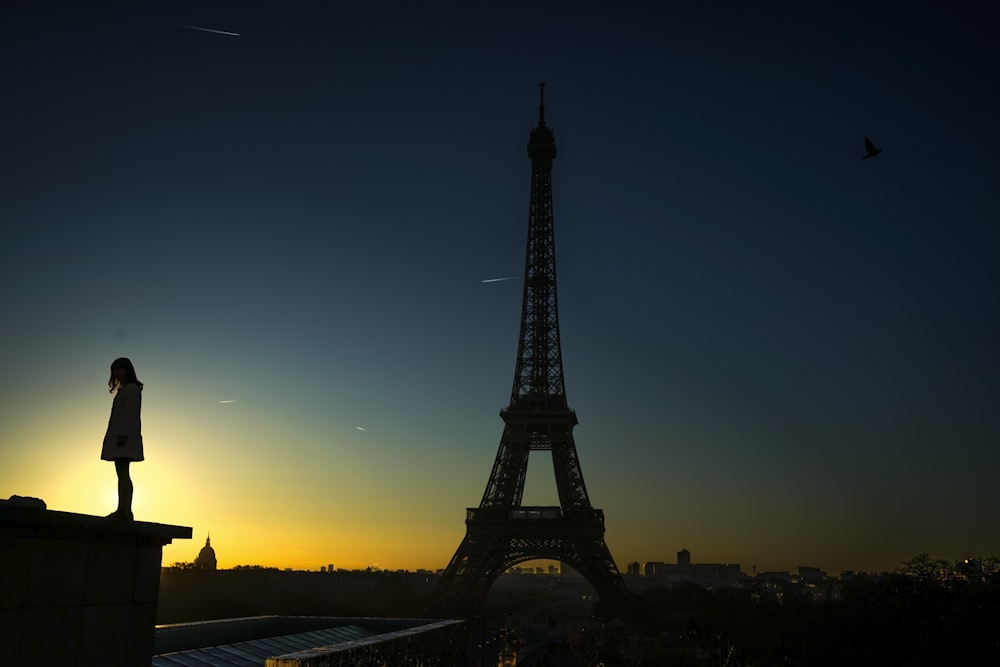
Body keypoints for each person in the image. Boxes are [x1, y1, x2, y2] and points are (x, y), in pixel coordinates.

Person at [102, 357, 144, 519]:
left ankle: (124, 511)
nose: (116, 373)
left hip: (124, 437)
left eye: (119, 369)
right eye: (114, 370)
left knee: (123, 473)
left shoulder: (132, 389)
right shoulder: (127, 389)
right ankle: (124, 510)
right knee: (122, 473)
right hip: (121, 436)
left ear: (127, 370)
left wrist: (123, 435)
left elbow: (131, 415)